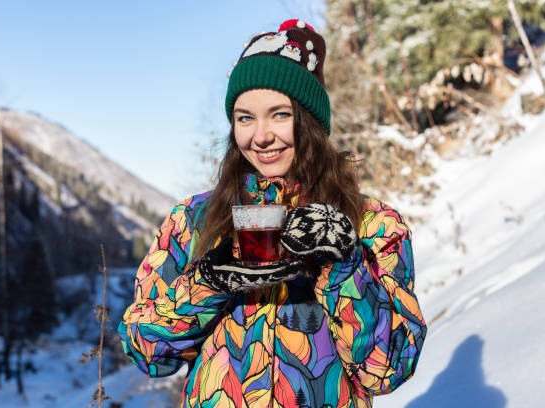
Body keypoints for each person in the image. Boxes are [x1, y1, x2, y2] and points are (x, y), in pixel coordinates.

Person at [119, 19, 426, 408]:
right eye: (245, 117)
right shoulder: (193, 220)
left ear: (311, 121)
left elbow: (389, 370)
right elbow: (146, 354)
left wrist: (345, 266)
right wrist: (207, 284)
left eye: (280, 114)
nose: (260, 135)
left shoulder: (373, 224)